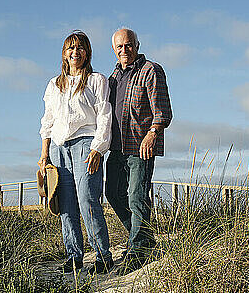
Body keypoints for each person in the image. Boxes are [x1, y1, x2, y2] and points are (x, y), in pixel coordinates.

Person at [38, 31, 114, 274]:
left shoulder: (96, 80)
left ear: (87, 53)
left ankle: (103, 255)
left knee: (88, 200)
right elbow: (48, 121)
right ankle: (74, 256)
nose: (75, 52)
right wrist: (44, 154)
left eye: (80, 48)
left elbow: (104, 115)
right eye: (70, 48)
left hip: (86, 144)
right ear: (63, 53)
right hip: (59, 149)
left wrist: (98, 149)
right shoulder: (54, 84)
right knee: (66, 205)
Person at [105, 28, 173, 274]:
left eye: (129, 45)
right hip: (116, 148)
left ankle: (139, 250)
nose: (125, 50)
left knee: (137, 197)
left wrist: (153, 133)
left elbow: (163, 110)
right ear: (114, 49)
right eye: (120, 46)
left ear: (137, 45)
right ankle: (144, 238)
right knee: (112, 193)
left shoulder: (151, 70)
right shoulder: (112, 77)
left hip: (140, 147)